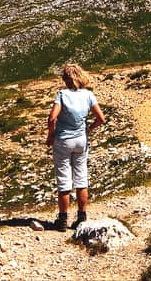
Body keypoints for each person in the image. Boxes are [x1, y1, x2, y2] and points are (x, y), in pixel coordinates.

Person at [45, 63, 105, 230]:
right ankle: (82, 216)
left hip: (63, 140)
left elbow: (52, 118)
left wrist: (51, 136)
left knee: (64, 180)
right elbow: (101, 118)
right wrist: (89, 129)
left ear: (67, 79)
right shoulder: (88, 95)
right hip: (81, 140)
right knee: (81, 178)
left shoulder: (62, 95)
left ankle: (63, 220)